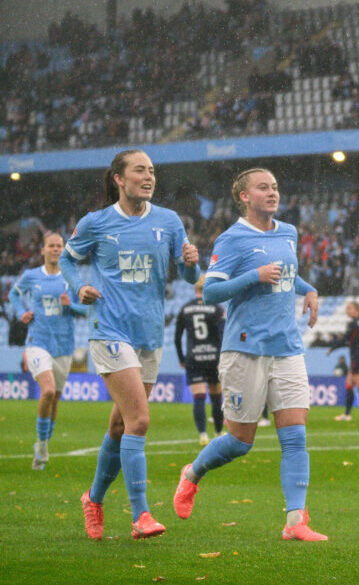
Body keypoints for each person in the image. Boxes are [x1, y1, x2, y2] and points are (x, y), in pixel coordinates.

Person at [172, 167, 326, 541]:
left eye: (274, 186)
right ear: (244, 196)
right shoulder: (232, 239)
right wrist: (254, 275)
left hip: (286, 348)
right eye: (263, 187)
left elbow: (287, 274)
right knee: (240, 441)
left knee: (295, 438)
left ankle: (295, 523)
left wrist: (309, 290)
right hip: (244, 348)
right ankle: (192, 474)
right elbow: (210, 292)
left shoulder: (288, 232)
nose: (272, 192)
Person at [61, 149, 200, 540]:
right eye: (140, 170)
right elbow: (69, 262)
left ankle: (94, 498)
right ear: (119, 179)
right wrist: (79, 287)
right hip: (110, 330)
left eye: (152, 170)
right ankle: (141, 515)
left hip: (149, 335)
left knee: (122, 424)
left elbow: (191, 277)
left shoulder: (169, 221)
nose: (149, 176)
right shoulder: (97, 223)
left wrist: (190, 261)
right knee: (140, 420)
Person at [12, 232, 87, 470]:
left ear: (64, 250)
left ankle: (43, 443)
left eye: (59, 246)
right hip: (38, 342)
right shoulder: (31, 276)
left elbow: (86, 311)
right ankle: (42, 446)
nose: (55, 249)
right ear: (42, 250)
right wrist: (20, 312)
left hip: (64, 346)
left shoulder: (71, 278)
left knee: (54, 399)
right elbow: (14, 294)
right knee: (46, 392)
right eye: (51, 246)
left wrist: (71, 305)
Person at [174, 274, 226, 445]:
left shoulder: (185, 309)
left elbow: (177, 337)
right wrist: (222, 358)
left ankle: (203, 435)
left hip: (194, 358)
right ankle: (218, 433)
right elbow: (222, 335)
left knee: (199, 397)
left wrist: (182, 358)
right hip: (213, 359)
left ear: (195, 288)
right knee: (216, 397)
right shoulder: (217, 309)